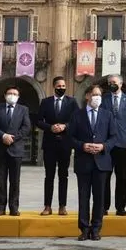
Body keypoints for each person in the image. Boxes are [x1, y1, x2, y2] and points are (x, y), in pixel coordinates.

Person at [69, 84, 118, 241]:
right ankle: (84, 228)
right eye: (94, 94)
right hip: (83, 162)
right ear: (87, 96)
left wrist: (103, 146)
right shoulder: (77, 115)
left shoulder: (107, 115)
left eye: (99, 95)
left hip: (102, 163)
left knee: (99, 197)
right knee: (83, 197)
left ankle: (96, 228)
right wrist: (82, 145)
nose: (97, 97)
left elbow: (114, 137)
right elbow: (70, 138)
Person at [37, 76, 79, 216]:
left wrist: (64, 126)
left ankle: (62, 206)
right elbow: (38, 121)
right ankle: (47, 206)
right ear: (54, 86)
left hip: (65, 144)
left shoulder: (72, 102)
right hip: (49, 143)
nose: (61, 88)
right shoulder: (45, 102)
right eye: (59, 86)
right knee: (49, 176)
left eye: (63, 86)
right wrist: (50, 127)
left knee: (63, 175)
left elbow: (77, 120)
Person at [0, 85, 31, 216]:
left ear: (18, 97)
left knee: (15, 181)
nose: (12, 95)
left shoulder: (23, 109)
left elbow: (26, 127)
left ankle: (14, 207)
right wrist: (3, 135)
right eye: (9, 93)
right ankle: (0, 207)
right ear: (5, 95)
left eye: (14, 93)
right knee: (1, 181)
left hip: (16, 149)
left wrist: (13, 138)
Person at [102, 74, 126, 216]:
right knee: (105, 177)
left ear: (121, 84)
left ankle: (120, 207)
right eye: (110, 82)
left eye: (114, 82)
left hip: (123, 145)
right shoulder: (104, 100)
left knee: (121, 177)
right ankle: (104, 207)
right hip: (106, 145)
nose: (112, 84)